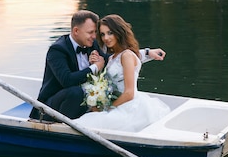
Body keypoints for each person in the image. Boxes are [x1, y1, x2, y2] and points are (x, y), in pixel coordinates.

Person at [29, 10, 166, 121]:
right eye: (91, 32)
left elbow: (115, 61)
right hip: (51, 107)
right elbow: (67, 80)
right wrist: (94, 67)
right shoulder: (58, 50)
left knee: (86, 94)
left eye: (96, 32)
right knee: (77, 92)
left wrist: (147, 53)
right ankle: (64, 127)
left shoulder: (91, 43)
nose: (95, 36)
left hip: (82, 103)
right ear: (76, 31)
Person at [74, 14, 171, 132]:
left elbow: (129, 93)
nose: (106, 38)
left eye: (110, 33)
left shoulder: (127, 55)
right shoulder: (111, 58)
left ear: (118, 32)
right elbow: (110, 83)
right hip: (118, 104)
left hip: (128, 106)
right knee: (86, 120)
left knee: (83, 124)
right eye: (103, 34)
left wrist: (108, 108)